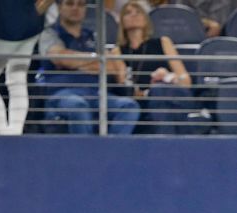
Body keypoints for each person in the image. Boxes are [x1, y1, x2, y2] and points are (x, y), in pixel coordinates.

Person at [36, 0, 140, 134]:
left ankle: (112, 152)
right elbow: (61, 58)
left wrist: (76, 62)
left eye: (80, 4)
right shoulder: (50, 33)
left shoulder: (93, 36)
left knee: (129, 106)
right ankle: (85, 153)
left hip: (96, 93)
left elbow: (111, 66)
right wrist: (94, 59)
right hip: (63, 93)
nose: (75, 8)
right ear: (60, 7)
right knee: (78, 106)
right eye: (70, 3)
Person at [117, 0, 195, 134]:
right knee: (159, 97)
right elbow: (124, 83)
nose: (134, 15)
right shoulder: (117, 51)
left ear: (146, 19)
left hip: (172, 92)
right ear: (122, 21)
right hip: (147, 100)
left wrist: (168, 77)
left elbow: (186, 80)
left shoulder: (163, 42)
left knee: (161, 91)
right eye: (128, 13)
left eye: (138, 12)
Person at [0, 0, 56, 135]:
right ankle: (14, 132)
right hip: (29, 24)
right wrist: (36, 11)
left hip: (9, 23)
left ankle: (2, 132)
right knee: (17, 79)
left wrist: (36, 10)